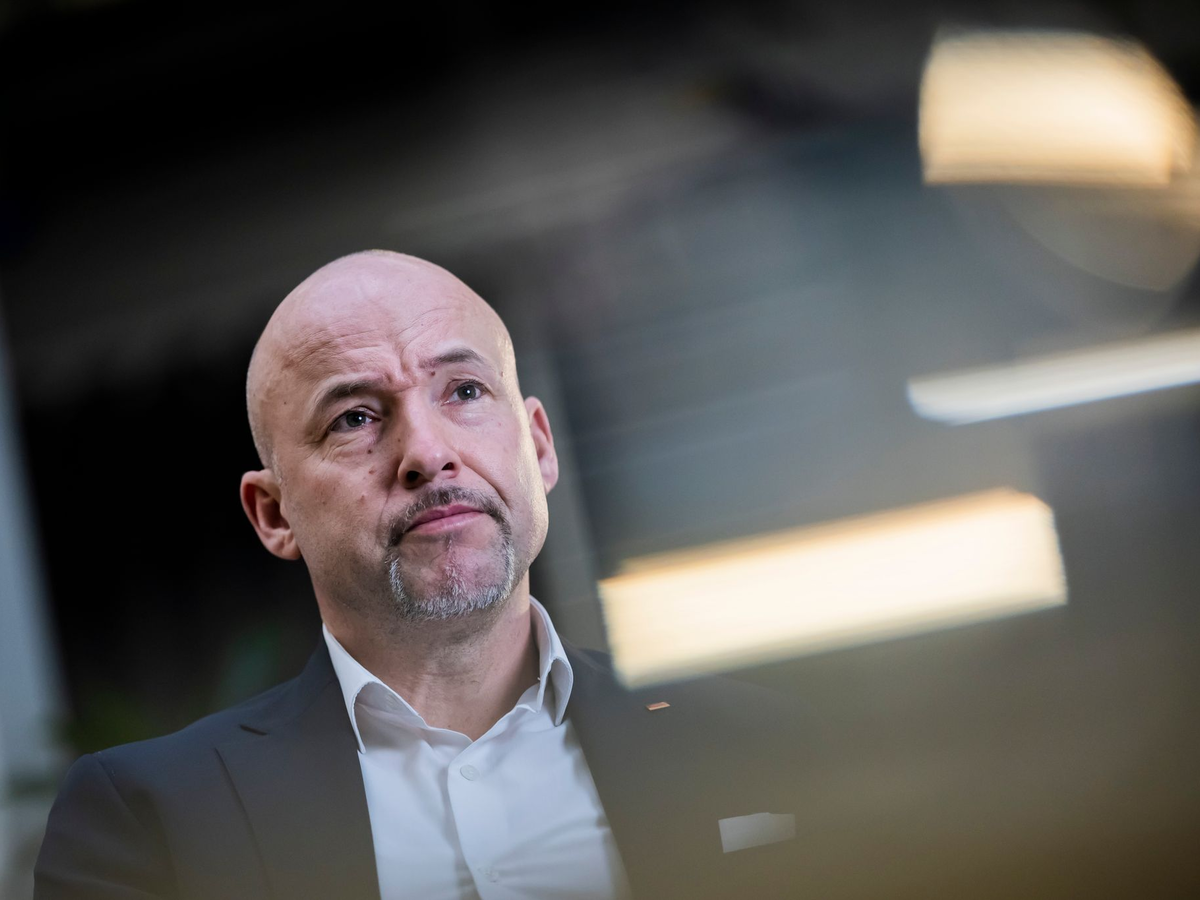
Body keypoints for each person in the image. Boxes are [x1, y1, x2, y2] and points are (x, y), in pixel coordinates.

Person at [34, 251, 814, 900]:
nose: (428, 453)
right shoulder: (150, 820)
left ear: (539, 447)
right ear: (273, 515)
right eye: (354, 418)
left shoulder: (763, 746)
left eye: (465, 391)